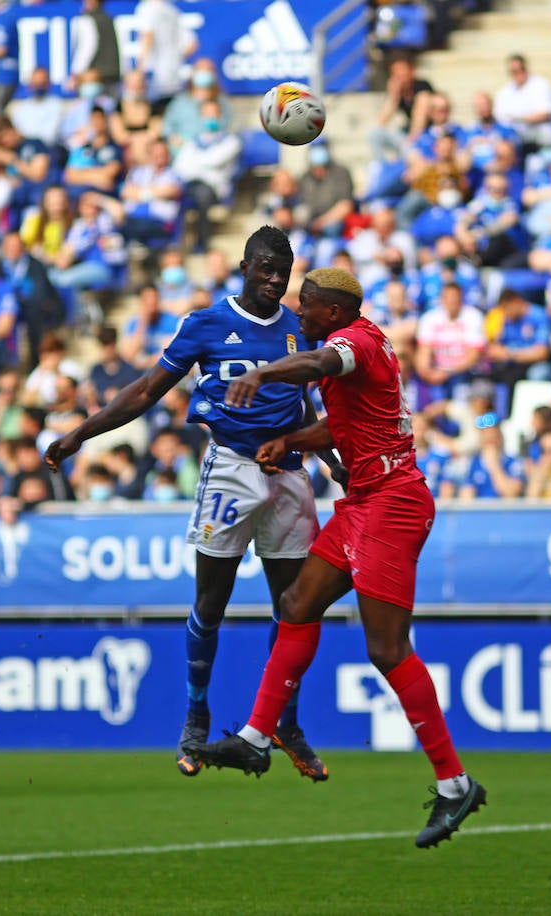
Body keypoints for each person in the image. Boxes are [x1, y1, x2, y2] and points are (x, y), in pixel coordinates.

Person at [187, 267, 487, 849]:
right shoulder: (352, 341)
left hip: (393, 504)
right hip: (364, 499)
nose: (299, 313)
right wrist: (292, 442)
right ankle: (256, 738)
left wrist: (265, 371)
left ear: (332, 310)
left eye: (308, 306)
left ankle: (455, 784)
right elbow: (342, 425)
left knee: (386, 647)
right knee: (297, 602)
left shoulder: (353, 343)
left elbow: (322, 365)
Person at [43, 227, 337, 781]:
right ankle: (195, 715)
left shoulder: (300, 330)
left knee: (296, 609)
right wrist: (81, 434)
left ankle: (283, 721)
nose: (276, 280)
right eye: (266, 269)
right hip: (230, 471)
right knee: (211, 603)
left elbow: (306, 409)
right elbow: (145, 390)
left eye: (284, 271)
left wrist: (334, 462)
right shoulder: (204, 324)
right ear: (244, 266)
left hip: (290, 475)